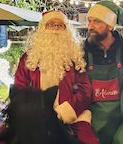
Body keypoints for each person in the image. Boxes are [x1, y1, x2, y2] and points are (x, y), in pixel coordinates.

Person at [14, 10, 99, 144]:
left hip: (71, 117)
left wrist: (64, 112)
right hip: (36, 117)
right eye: (51, 25)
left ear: (66, 30)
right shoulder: (29, 58)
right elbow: (20, 89)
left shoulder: (75, 59)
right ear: (43, 28)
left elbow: (85, 90)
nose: (55, 29)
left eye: (60, 26)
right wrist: (35, 111)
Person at [85, 0, 123, 144]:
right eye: (89, 21)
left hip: (122, 129)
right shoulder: (81, 52)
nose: (90, 26)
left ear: (110, 25)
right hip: (90, 129)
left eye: (97, 21)